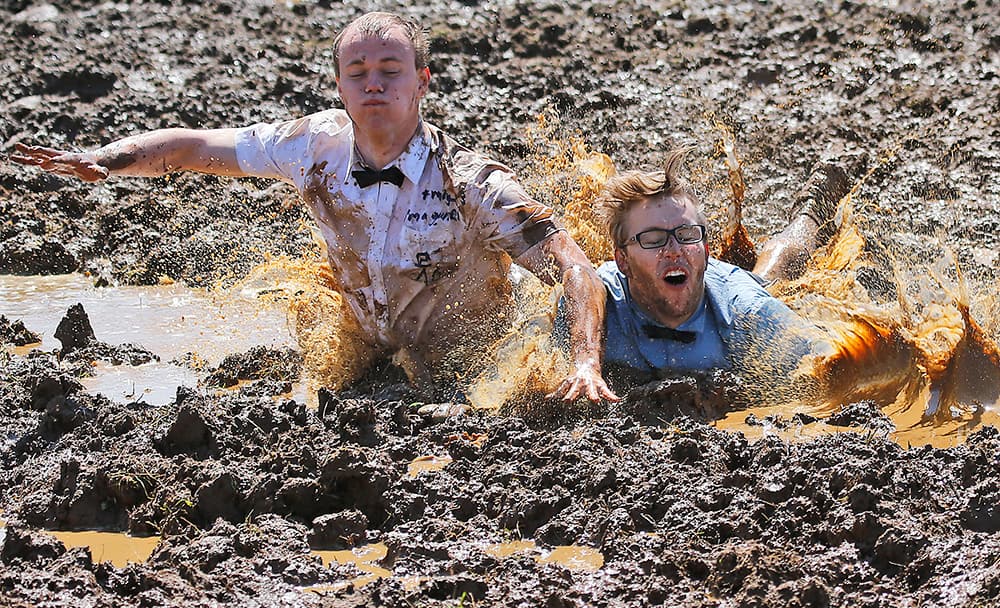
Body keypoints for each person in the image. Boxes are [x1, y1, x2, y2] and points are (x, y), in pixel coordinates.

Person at [11, 11, 618, 404]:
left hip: (457, 364)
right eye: (357, 72)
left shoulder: (468, 180)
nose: (373, 83)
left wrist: (586, 362)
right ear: (340, 87)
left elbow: (576, 265)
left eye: (390, 69)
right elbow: (193, 147)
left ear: (423, 82)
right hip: (365, 341)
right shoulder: (312, 145)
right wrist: (106, 160)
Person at [591, 147, 849, 389]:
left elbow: (833, 361)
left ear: (705, 250)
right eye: (653, 239)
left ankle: (812, 210)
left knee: (774, 276)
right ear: (622, 261)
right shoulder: (599, 306)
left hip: (736, 291)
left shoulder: (748, 314)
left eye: (687, 234)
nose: (673, 249)